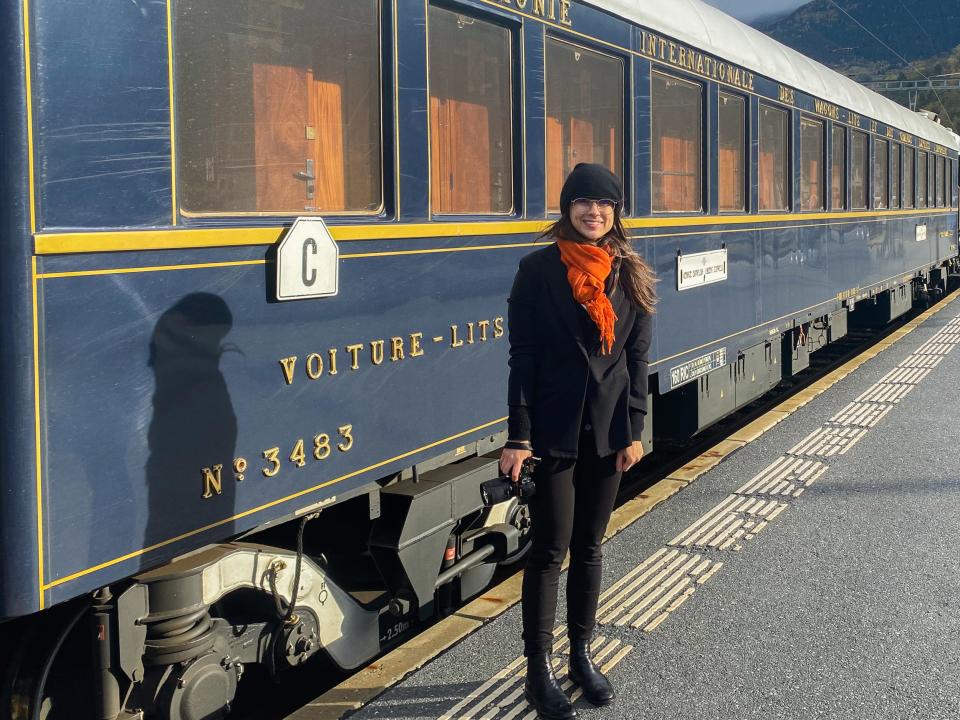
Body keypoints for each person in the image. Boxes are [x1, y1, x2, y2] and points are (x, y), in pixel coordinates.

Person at [500, 163, 655, 720]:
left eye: (605, 204)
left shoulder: (631, 274)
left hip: (608, 432)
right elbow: (522, 358)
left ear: (616, 213)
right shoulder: (537, 270)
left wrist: (633, 429)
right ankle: (537, 671)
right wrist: (518, 436)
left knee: (590, 547)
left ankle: (581, 655)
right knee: (549, 548)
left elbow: (636, 360)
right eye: (584, 202)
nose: (595, 212)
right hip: (553, 431)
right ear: (567, 208)